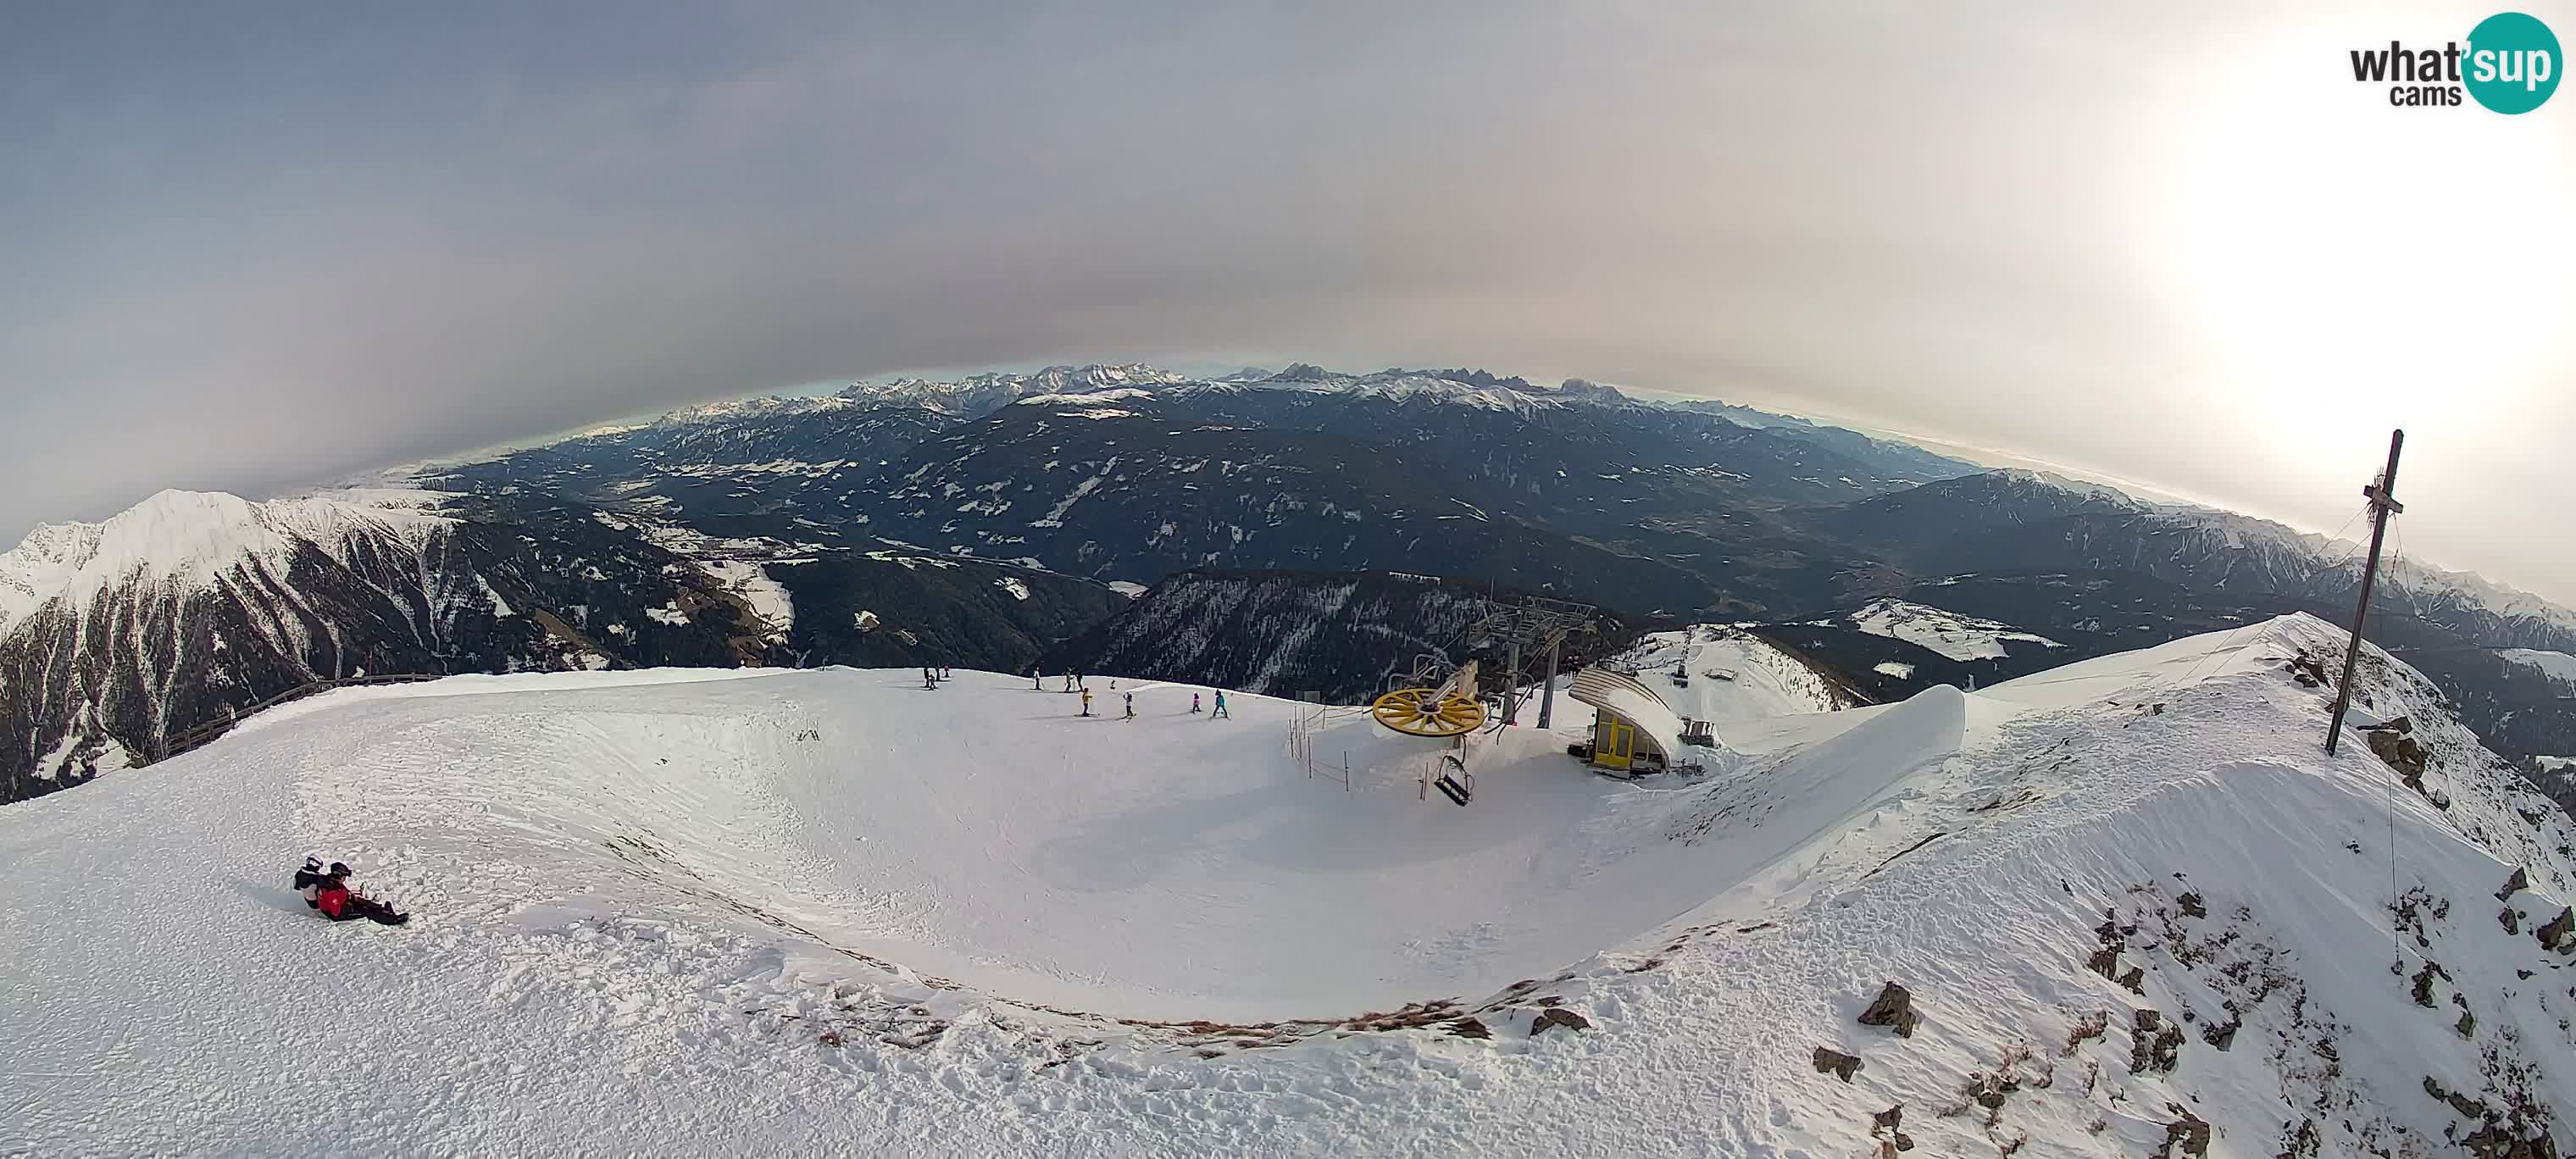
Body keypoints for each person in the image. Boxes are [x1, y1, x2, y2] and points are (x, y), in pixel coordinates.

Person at [311, 862, 409, 926]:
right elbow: (336, 912)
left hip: (341, 904)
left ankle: (383, 910)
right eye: (344, 877)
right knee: (365, 911)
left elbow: (343, 891)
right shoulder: (331, 891)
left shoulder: (332, 882)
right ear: (338, 875)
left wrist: (351, 897)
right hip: (338, 914)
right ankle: (392, 920)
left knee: (361, 901)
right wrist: (348, 905)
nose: (344, 879)